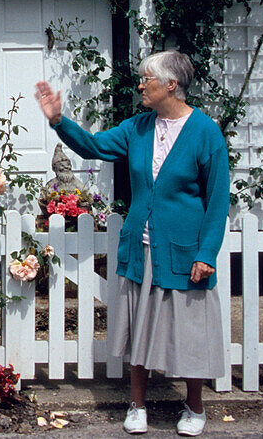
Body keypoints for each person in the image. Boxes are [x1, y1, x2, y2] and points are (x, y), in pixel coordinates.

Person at [35, 50, 229, 437]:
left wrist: (207, 253)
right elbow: (94, 146)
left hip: (183, 251)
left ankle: (194, 407)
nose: (141, 85)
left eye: (148, 79)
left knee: (188, 332)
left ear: (171, 84)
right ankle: (136, 405)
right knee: (139, 327)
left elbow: (218, 198)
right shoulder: (139, 127)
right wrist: (58, 120)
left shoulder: (205, 132)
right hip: (140, 247)